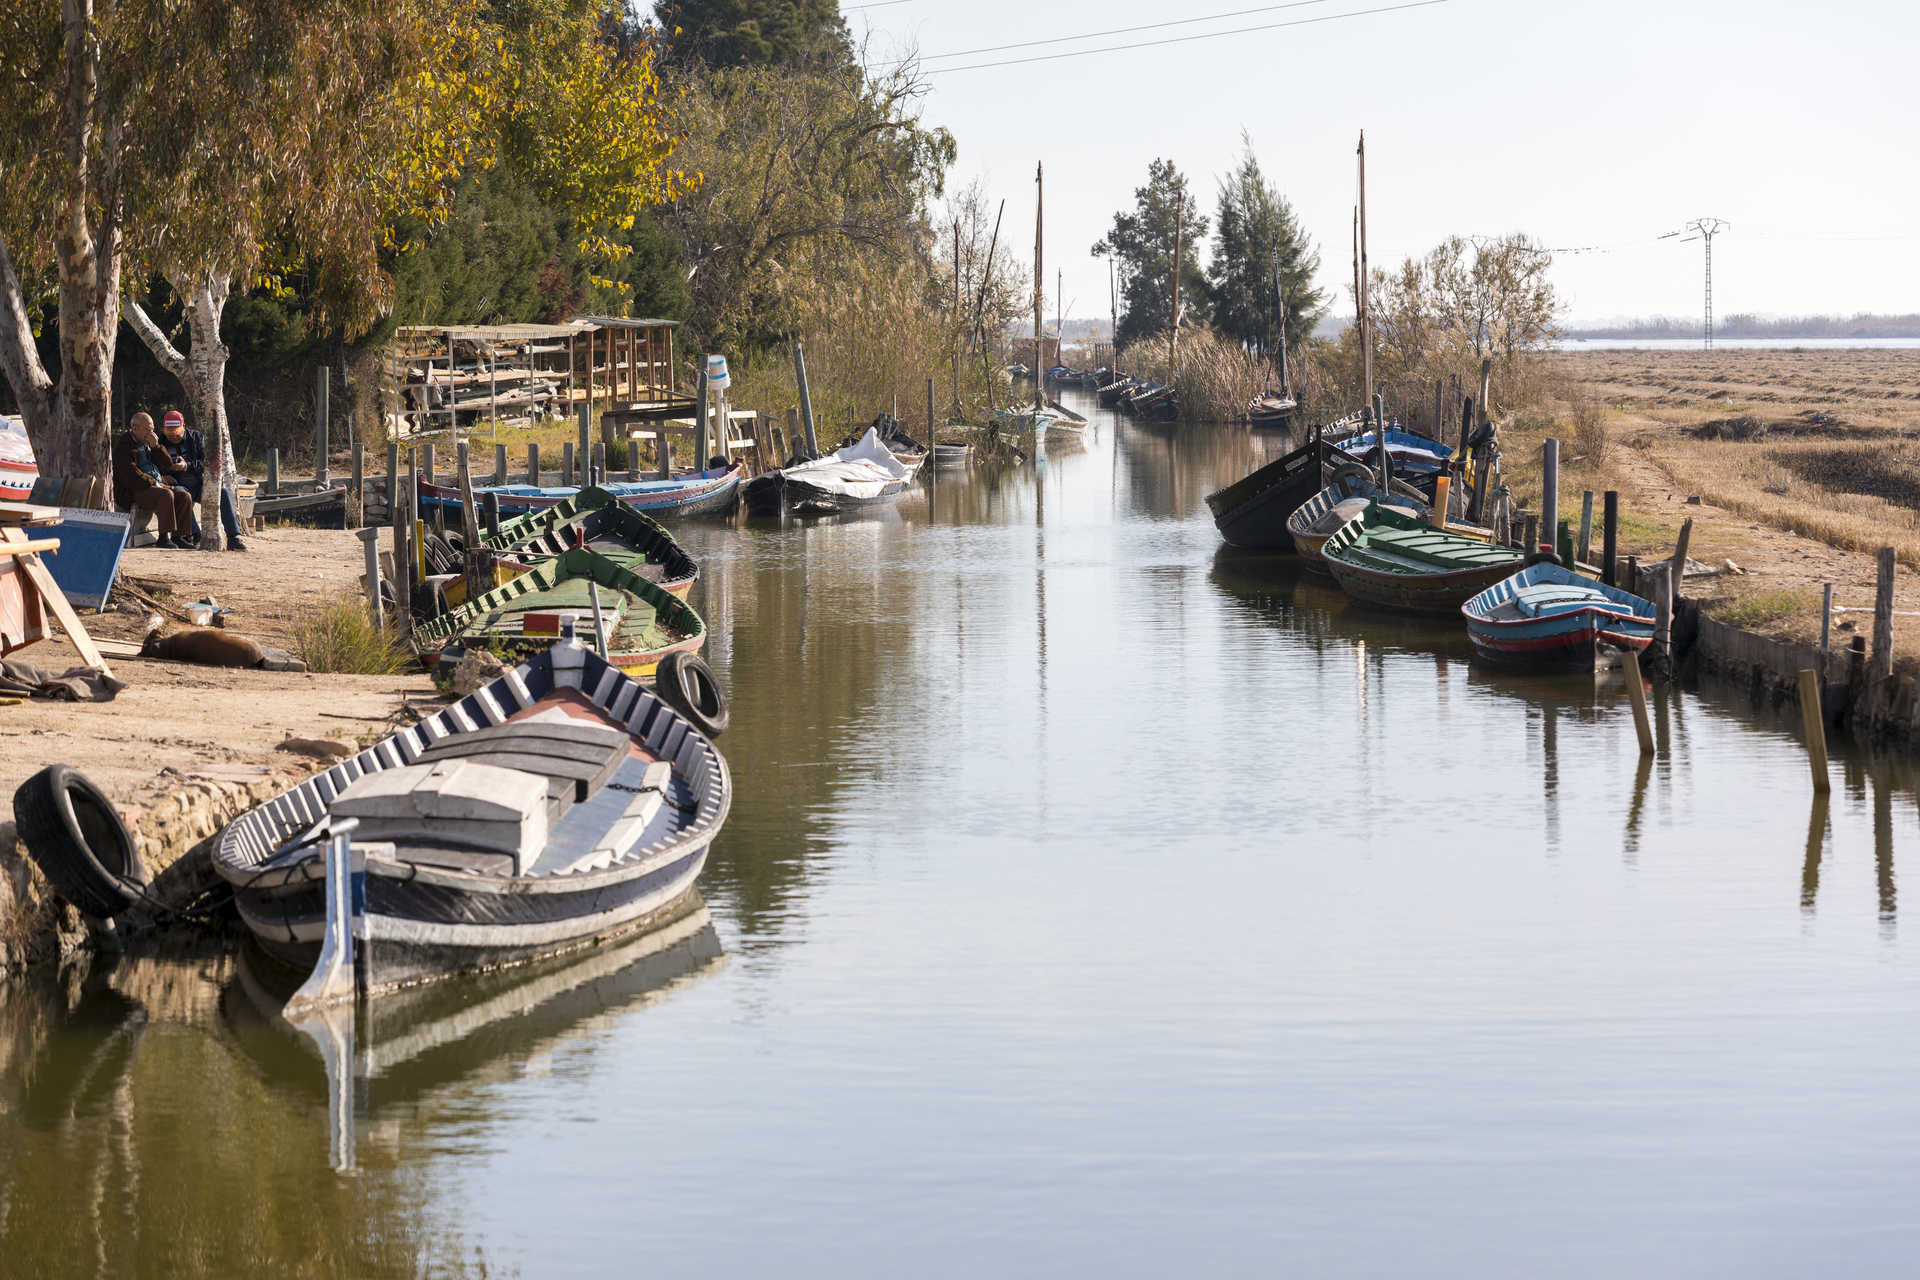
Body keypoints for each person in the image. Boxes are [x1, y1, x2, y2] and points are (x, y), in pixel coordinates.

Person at [156, 409, 248, 550]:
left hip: (199, 483)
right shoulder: (160, 441)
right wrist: (163, 476)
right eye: (169, 433)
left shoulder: (196, 438)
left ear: (184, 427)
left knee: (222, 493)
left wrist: (187, 466)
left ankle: (233, 537)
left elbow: (207, 462)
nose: (173, 436)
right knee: (182, 496)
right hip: (177, 485)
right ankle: (197, 536)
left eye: (176, 432)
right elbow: (154, 464)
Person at [111, 412, 196, 548]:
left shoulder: (148, 443)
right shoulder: (124, 446)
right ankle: (163, 537)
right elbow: (131, 476)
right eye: (147, 430)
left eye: (152, 429)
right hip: (135, 490)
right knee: (165, 495)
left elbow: (167, 465)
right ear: (135, 428)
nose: (151, 433)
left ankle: (178, 536)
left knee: (184, 496)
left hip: (154, 484)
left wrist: (157, 447)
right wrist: (154, 483)